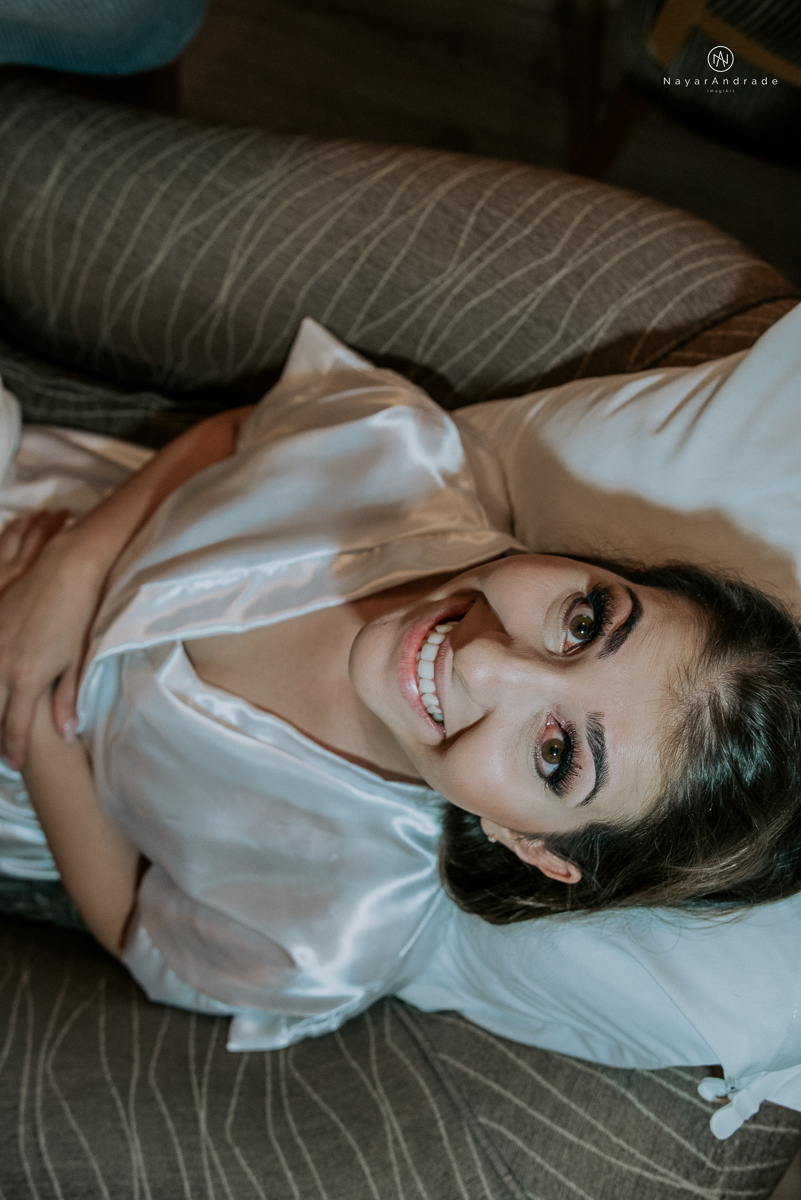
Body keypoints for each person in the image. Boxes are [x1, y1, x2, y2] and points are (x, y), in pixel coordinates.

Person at [0, 324, 800, 1063]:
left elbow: (139, 930)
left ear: (534, 845)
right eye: (585, 623)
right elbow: (236, 432)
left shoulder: (341, 918)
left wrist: (36, 714)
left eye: (555, 754)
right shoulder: (408, 459)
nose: (484, 663)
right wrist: (69, 567)